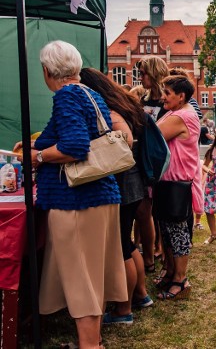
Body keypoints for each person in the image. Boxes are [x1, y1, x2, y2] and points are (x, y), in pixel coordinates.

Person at [16, 41, 126, 348]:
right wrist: (36, 146)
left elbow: (74, 146)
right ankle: (94, 341)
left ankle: (89, 345)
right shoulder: (90, 93)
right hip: (100, 196)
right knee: (92, 276)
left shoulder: (65, 96)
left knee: (81, 279)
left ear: (48, 70)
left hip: (77, 201)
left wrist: (37, 157)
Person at [79, 68, 153, 325]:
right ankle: (140, 295)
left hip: (125, 182)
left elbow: (127, 139)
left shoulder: (111, 111)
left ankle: (123, 309)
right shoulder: (124, 104)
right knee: (127, 242)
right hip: (132, 182)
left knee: (121, 245)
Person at [154, 75, 202, 300]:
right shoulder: (176, 113)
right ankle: (172, 272)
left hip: (177, 183)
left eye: (167, 93)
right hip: (169, 181)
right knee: (168, 231)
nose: (163, 96)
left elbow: (153, 136)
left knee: (178, 233)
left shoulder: (182, 116)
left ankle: (181, 280)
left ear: (181, 96)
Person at [137, 56, 169, 273]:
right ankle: (150, 252)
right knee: (146, 209)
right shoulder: (143, 100)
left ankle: (162, 250)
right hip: (144, 160)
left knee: (161, 211)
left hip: (161, 162)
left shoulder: (166, 103)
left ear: (154, 73)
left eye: (143, 73)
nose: (140, 78)